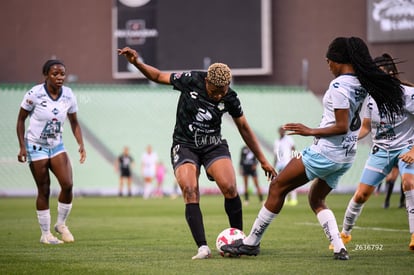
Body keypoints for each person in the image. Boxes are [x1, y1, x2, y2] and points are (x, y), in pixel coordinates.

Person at [220, 37, 405, 260]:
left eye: (329, 62)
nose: (328, 67)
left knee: (278, 186)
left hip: (325, 153)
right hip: (346, 157)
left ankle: (251, 243)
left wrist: (310, 131)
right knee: (316, 199)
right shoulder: (361, 84)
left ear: (338, 61)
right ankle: (340, 248)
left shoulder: (339, 85)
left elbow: (341, 126)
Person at [118, 47, 276, 259]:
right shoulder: (191, 79)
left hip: (213, 144)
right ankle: (202, 247)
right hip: (185, 145)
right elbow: (156, 76)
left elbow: (244, 128)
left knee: (230, 187)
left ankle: (240, 242)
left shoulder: (230, 97)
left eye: (223, 90)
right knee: (190, 189)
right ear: (207, 81)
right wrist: (136, 62)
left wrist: (263, 160)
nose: (219, 94)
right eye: (215, 90)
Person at [339, 52, 414, 251]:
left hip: (406, 147)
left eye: (380, 74)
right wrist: (349, 138)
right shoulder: (372, 98)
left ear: (391, 74)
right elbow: (365, 127)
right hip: (380, 150)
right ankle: (344, 235)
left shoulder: (408, 95)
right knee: (361, 195)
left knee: (409, 183)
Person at [16, 59, 86, 244]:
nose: (59, 77)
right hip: (35, 146)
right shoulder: (34, 94)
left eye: (62, 74)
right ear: (46, 75)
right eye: (55, 74)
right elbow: (21, 120)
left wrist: (81, 143)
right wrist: (22, 146)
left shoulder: (69, 95)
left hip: (56, 145)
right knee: (44, 189)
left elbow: (74, 122)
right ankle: (45, 234)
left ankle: (61, 224)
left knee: (68, 184)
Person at [274, 126, 298, 206]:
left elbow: (293, 149)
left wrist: (294, 159)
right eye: (280, 130)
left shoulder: (288, 139)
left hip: (287, 162)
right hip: (279, 164)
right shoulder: (277, 141)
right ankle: (285, 199)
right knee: (282, 182)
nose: (282, 132)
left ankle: (294, 199)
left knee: (291, 181)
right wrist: (274, 165)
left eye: (283, 130)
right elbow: (275, 154)